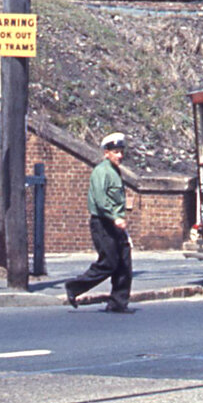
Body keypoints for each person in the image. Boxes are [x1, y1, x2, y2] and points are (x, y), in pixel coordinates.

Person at [65, 132, 134, 313]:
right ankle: (74, 287)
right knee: (109, 262)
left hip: (115, 224)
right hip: (103, 223)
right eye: (116, 152)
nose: (120, 155)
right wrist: (115, 217)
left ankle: (118, 303)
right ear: (106, 153)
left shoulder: (114, 171)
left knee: (124, 264)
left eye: (121, 151)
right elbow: (100, 199)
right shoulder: (101, 171)